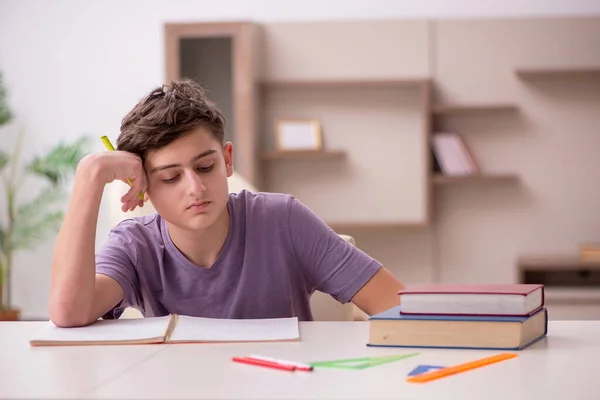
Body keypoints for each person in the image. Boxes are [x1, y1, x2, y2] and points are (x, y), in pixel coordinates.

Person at [49, 79, 405, 327]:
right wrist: (89, 177)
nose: (195, 187)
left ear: (227, 160)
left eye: (205, 166)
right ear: (140, 185)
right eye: (171, 177)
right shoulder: (134, 244)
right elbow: (68, 312)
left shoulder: (284, 219)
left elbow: (397, 306)